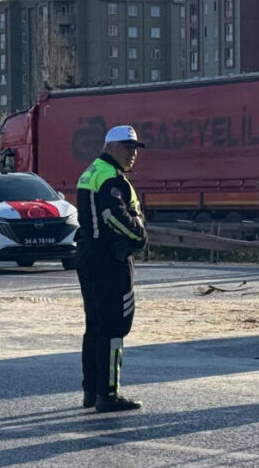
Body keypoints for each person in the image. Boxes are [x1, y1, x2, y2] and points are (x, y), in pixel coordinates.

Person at [76, 126, 149, 413]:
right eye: (126, 147)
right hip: (110, 259)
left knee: (95, 324)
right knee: (115, 325)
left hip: (90, 255)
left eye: (135, 148)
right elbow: (112, 214)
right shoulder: (110, 177)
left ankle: (92, 390)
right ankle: (109, 393)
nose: (132, 154)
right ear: (109, 147)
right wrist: (139, 237)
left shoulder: (92, 171)